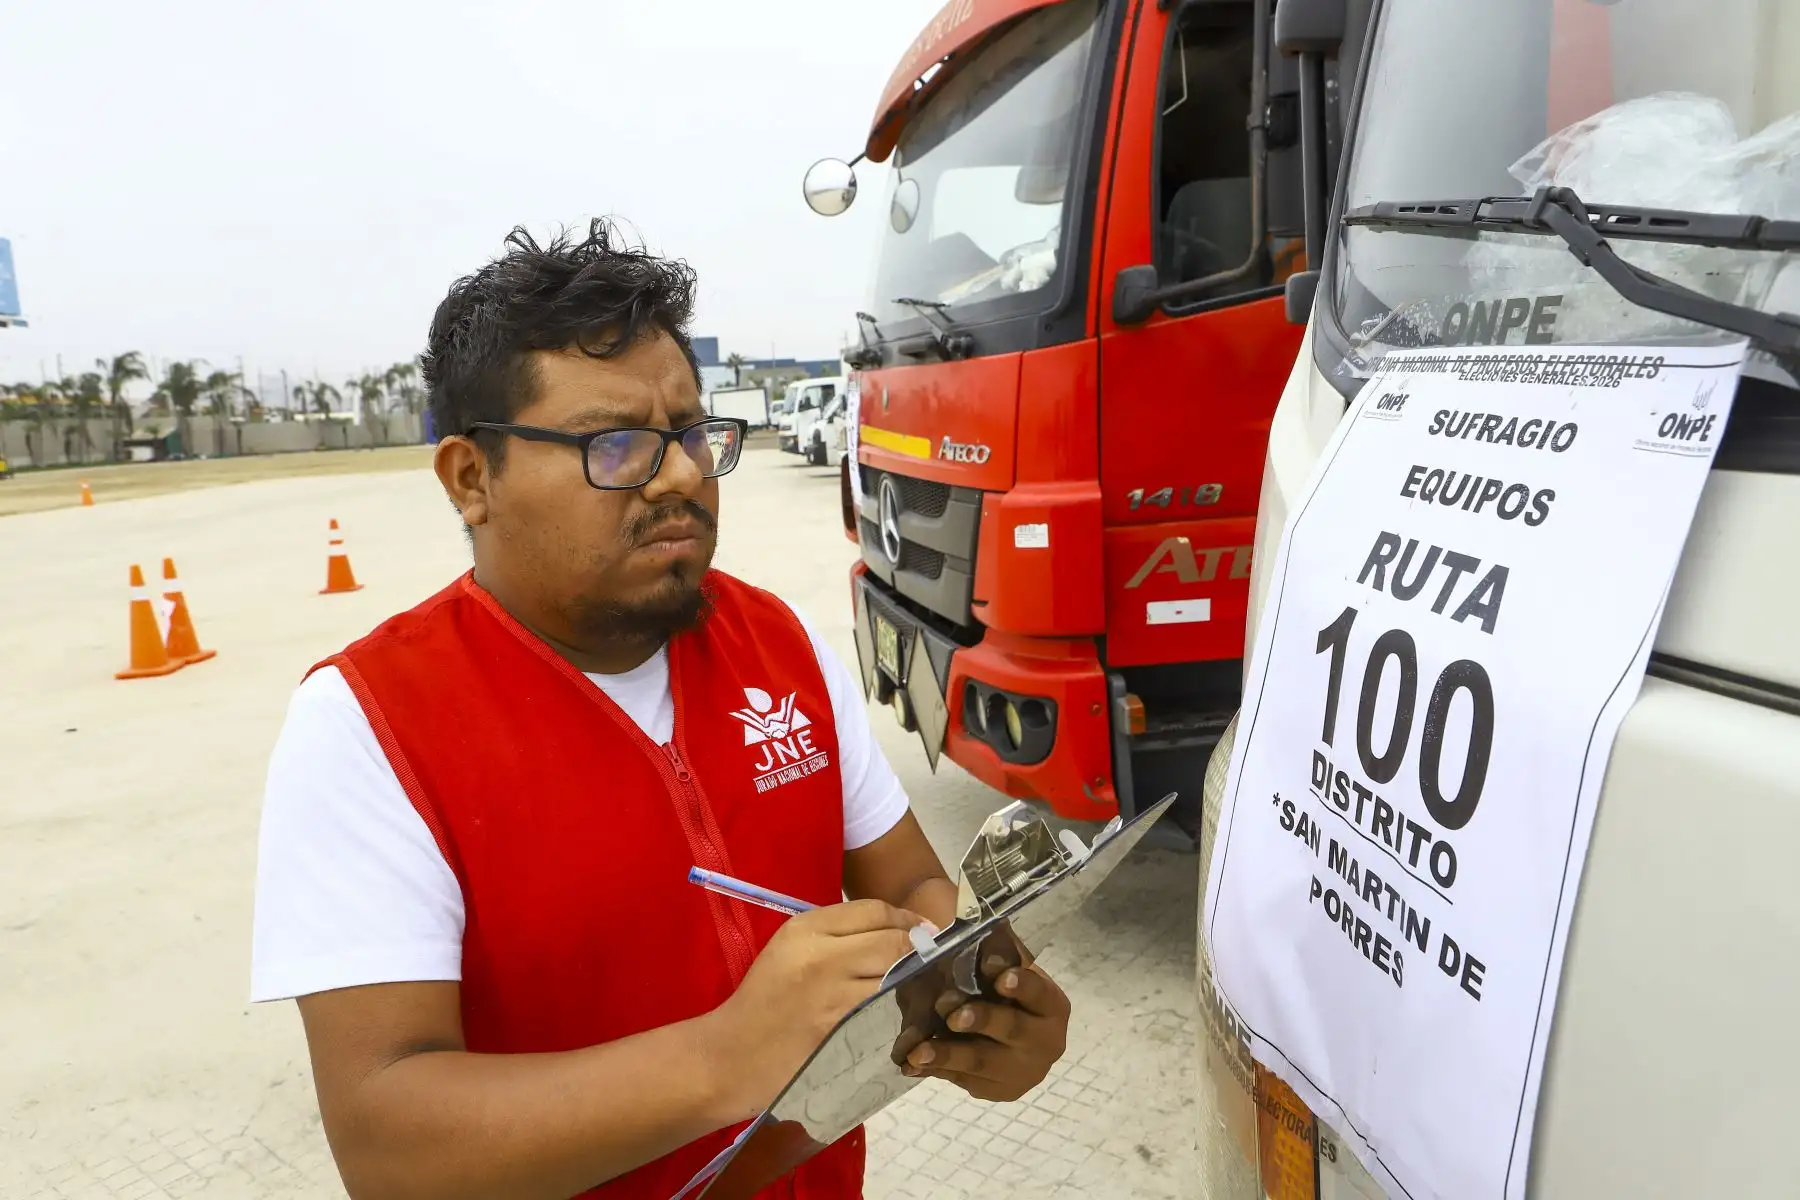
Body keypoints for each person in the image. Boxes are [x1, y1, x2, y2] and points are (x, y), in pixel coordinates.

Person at [250, 220, 1071, 1200]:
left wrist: (983, 998)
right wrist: (724, 1059)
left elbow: (912, 890)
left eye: (688, 433)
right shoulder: (370, 723)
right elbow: (388, 1144)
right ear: (473, 479)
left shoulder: (780, 647)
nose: (681, 472)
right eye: (616, 444)